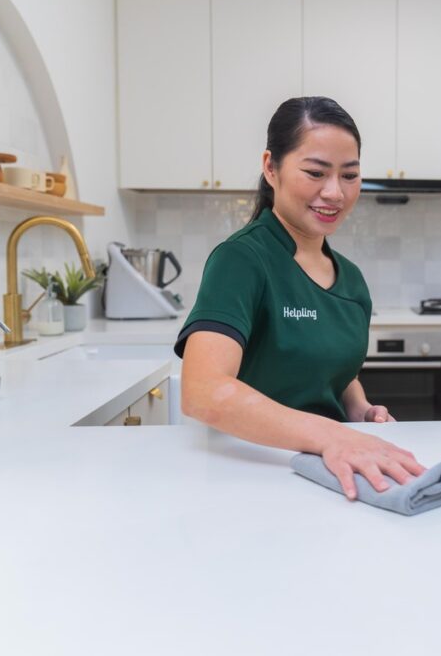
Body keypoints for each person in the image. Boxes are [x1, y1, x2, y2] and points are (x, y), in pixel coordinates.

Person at [176, 96, 426, 500]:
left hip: (332, 475)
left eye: (350, 175)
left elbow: (333, 375)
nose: (335, 192)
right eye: (315, 172)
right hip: (250, 477)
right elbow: (202, 390)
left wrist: (359, 411)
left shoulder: (351, 280)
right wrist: (331, 435)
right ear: (271, 167)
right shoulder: (242, 260)